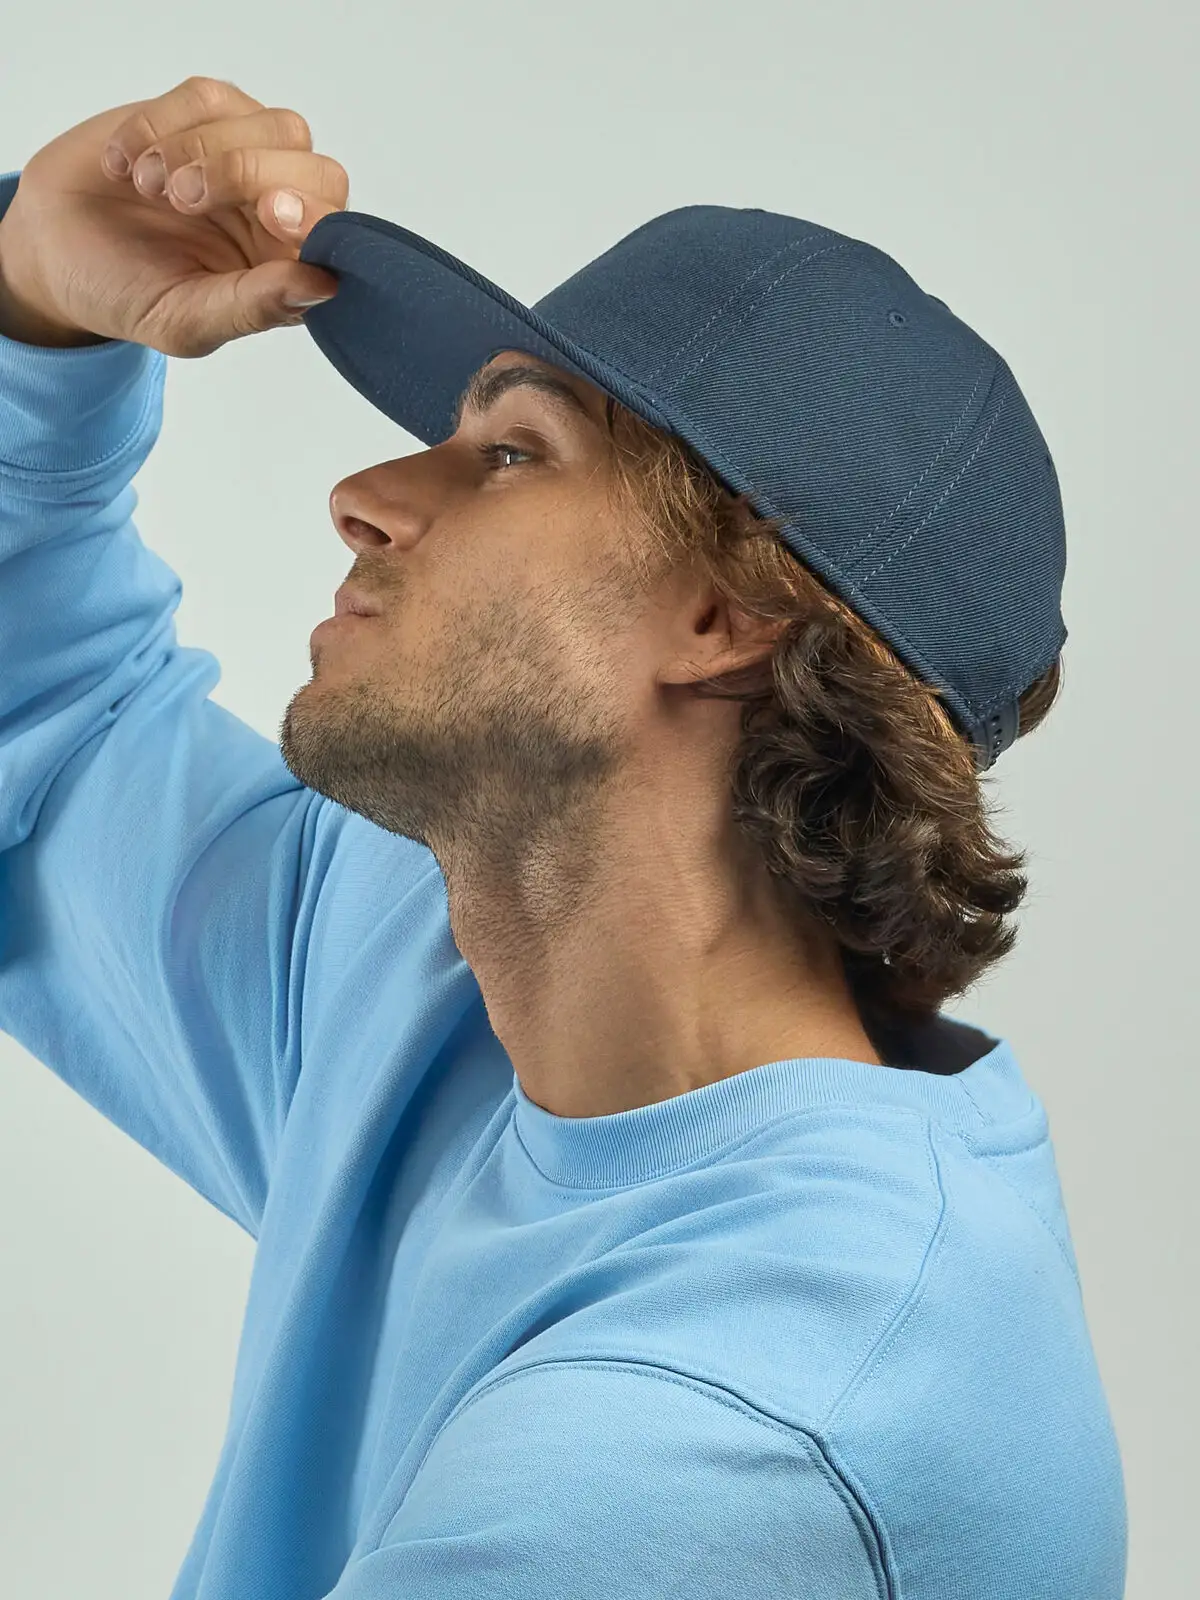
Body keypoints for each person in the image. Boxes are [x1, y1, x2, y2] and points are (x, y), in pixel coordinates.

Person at [0, 75, 1127, 1599]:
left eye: (514, 452)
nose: (362, 495)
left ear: (729, 617)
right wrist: (30, 311)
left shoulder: (741, 1428)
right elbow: (47, 729)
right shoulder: (427, 994)